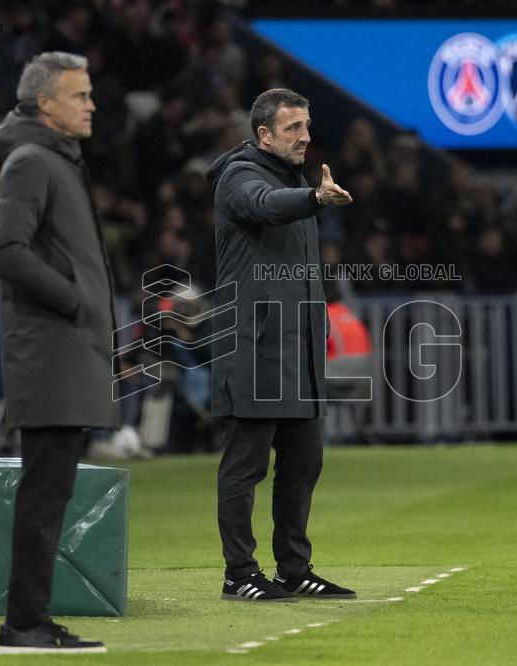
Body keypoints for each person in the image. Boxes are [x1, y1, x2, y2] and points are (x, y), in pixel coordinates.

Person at [0, 52, 116, 654]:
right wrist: (73, 300)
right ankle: (24, 624)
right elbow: (6, 251)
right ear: (45, 103)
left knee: (50, 494)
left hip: (65, 350)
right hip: (51, 351)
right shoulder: (32, 160)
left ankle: (30, 619)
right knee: (43, 496)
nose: (92, 105)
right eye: (80, 95)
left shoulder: (51, 158)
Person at [207, 88, 356, 602]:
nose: (306, 136)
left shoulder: (295, 179)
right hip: (254, 348)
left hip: (299, 350)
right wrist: (314, 198)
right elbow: (266, 207)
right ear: (264, 134)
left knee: (303, 464)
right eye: (293, 128)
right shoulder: (239, 177)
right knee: (245, 465)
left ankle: (294, 568)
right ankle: (239, 573)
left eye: (307, 126)